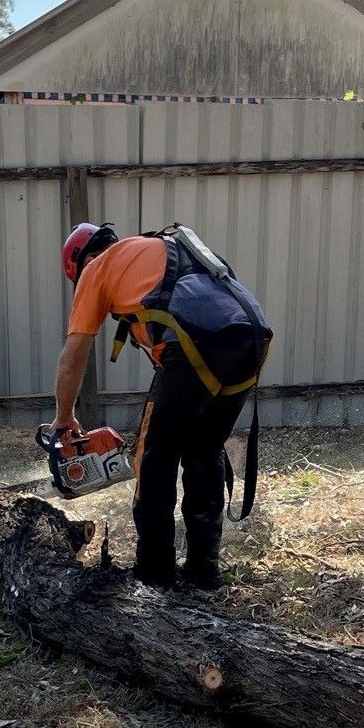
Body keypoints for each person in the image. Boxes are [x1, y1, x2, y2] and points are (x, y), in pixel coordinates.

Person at [49, 221, 270, 591]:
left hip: (194, 344)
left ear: (83, 259)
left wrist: (64, 417)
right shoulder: (166, 251)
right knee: (204, 452)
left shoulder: (97, 268)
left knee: (154, 459)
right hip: (253, 338)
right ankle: (203, 572)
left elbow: (73, 358)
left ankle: (154, 575)